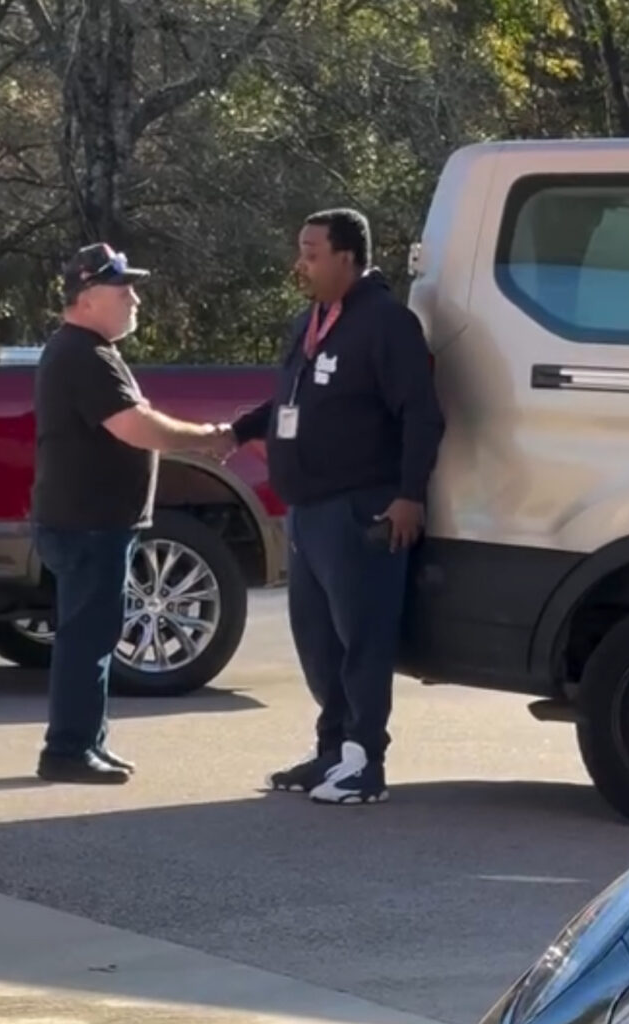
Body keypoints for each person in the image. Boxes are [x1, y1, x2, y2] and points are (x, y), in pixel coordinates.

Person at [228, 209, 444, 805]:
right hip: (307, 511)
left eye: (312, 252)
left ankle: (364, 762)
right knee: (317, 641)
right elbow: (288, 401)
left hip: (361, 508)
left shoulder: (386, 323)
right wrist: (236, 431)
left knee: (362, 640)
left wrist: (409, 495)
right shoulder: (311, 321)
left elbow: (421, 415)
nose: (300, 264)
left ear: (347, 257)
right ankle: (332, 751)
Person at [31, 243, 231, 784]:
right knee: (87, 639)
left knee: (93, 636)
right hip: (88, 523)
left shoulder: (87, 351)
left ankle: (87, 741)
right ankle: (67, 750)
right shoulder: (83, 355)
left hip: (91, 521)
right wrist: (209, 438)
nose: (135, 299)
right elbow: (135, 426)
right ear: (87, 297)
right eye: (123, 290)